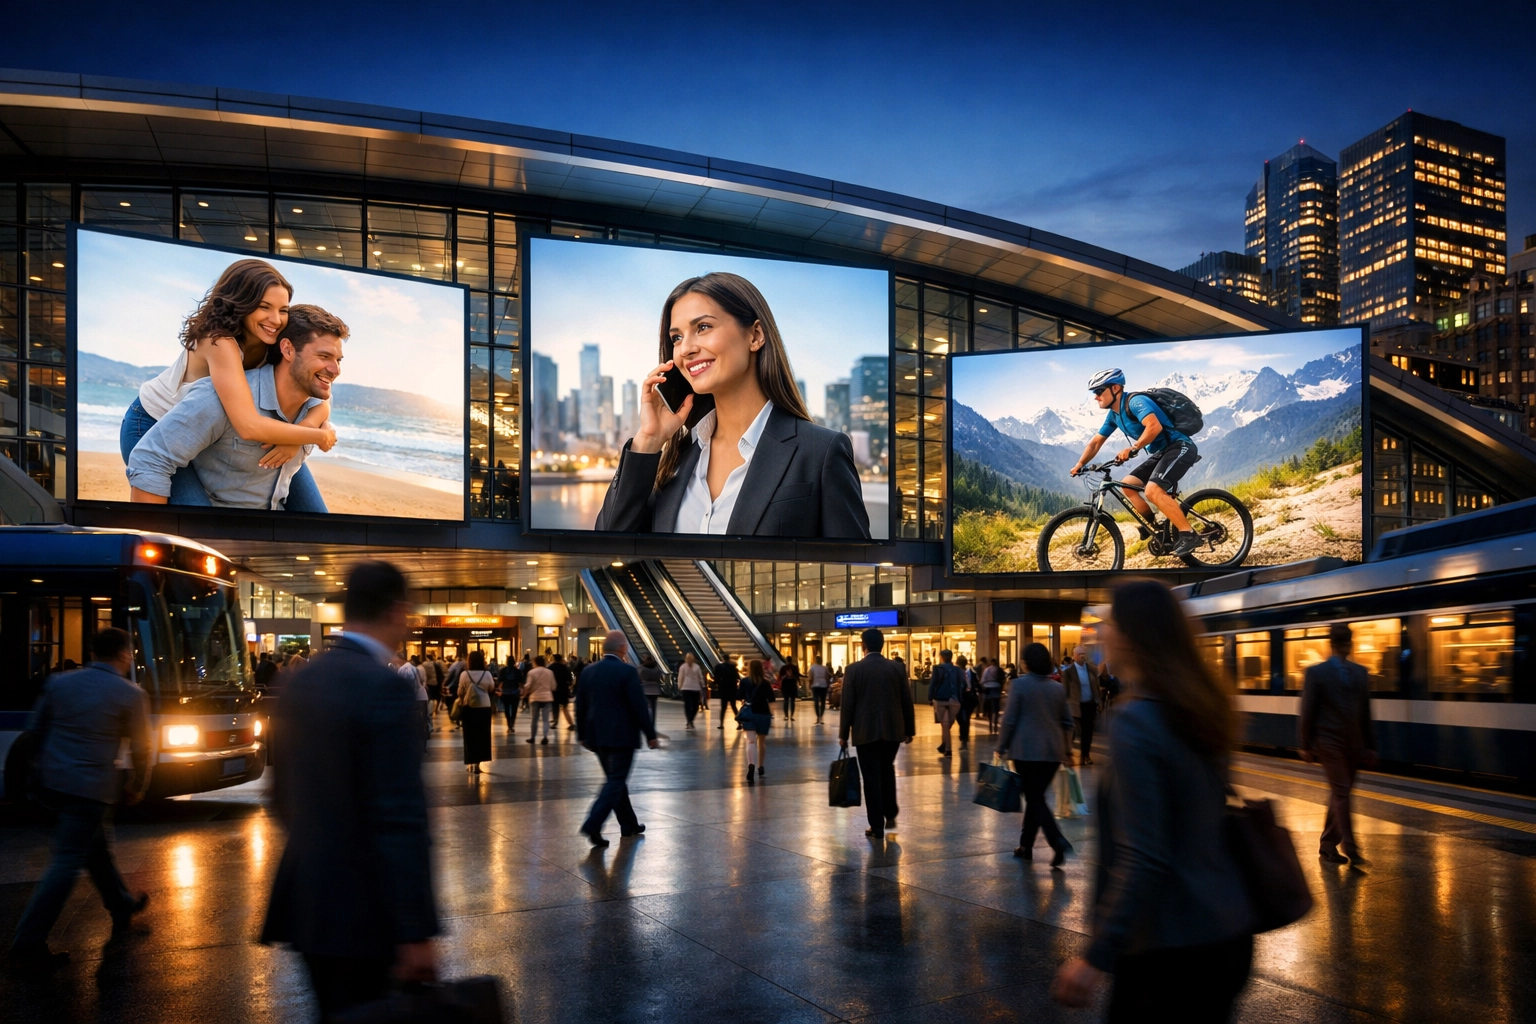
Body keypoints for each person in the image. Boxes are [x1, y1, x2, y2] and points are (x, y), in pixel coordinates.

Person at [1051, 580, 1253, 1019]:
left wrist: (1095, 957)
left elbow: (1144, 856)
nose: (1102, 633)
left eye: (1109, 624)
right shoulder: (1203, 705)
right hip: (1227, 931)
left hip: (1168, 946)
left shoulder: (1135, 721)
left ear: (1132, 634)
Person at [261, 561, 438, 1018]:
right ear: (397, 610)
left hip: (309, 902)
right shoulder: (384, 686)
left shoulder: (299, 681)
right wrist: (415, 929)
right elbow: (398, 816)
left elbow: (279, 794)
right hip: (366, 911)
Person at [594, 272, 870, 538]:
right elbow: (606, 551)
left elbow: (856, 568)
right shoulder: (676, 461)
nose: (685, 348)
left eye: (702, 327)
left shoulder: (820, 452)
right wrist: (648, 443)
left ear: (755, 335)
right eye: (676, 337)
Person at [119, 258, 335, 510]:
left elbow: (317, 387)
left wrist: (302, 433)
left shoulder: (273, 339)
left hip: (206, 433)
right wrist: (318, 435)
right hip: (151, 423)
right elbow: (248, 425)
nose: (276, 319)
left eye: (283, 309)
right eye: (264, 307)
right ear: (241, 303)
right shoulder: (220, 341)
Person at [8, 628, 151, 967]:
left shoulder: (60, 683)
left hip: (51, 784)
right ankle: (27, 944)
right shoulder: (129, 693)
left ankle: (121, 904)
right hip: (90, 788)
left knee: (95, 847)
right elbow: (142, 747)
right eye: (129, 653)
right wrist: (137, 784)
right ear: (124, 654)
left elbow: (35, 731)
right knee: (67, 861)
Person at [1068, 367, 1203, 557]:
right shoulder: (1114, 415)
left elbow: (1154, 427)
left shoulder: (1135, 402)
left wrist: (1133, 448)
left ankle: (1189, 535)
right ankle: (1154, 527)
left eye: (1099, 391)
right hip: (1163, 451)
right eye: (1094, 393)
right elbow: (1096, 442)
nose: (1095, 397)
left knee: (1152, 491)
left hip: (1180, 446)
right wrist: (1079, 464)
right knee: (1129, 485)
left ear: (1115, 388)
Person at [1300, 622, 1377, 866]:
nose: (1346, 647)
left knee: (1340, 793)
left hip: (1352, 744)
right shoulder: (1317, 673)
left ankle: (1327, 844)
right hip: (1329, 742)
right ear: (1338, 645)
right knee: (1342, 791)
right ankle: (1351, 847)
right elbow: (1308, 710)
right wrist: (1305, 744)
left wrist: (1370, 745)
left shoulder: (1359, 673)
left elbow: (1365, 712)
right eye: (1343, 643)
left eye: (1347, 642)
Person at [576, 631, 659, 846]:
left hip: (596, 736)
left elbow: (580, 705)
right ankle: (593, 823)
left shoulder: (588, 671)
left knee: (616, 781)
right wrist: (650, 734)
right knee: (616, 780)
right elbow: (639, 706)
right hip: (622, 736)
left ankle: (628, 824)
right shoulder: (627, 672)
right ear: (623, 648)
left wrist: (582, 734)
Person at [996, 643, 1075, 865]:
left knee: (1034, 798)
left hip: (1025, 752)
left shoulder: (1019, 686)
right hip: (1052, 753)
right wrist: (1067, 751)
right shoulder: (1057, 688)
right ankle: (1026, 845)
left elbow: (1010, 719)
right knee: (1036, 798)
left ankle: (1058, 841)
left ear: (1026, 663)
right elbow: (1067, 723)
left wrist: (1001, 746)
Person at [838, 628, 915, 839]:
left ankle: (877, 825)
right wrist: (909, 729)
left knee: (871, 777)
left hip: (865, 730)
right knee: (886, 768)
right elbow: (906, 701)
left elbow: (848, 705)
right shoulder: (897, 668)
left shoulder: (853, 670)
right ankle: (890, 811)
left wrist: (844, 733)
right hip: (892, 729)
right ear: (883, 645)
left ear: (863, 646)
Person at [1063, 646, 1105, 766]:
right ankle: (1068, 754)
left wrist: (1099, 702)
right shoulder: (1068, 672)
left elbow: (1096, 687)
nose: (1082, 656)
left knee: (1088, 731)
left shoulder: (1092, 669)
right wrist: (1065, 706)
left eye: (1084, 654)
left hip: (1089, 705)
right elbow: (1066, 691)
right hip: (1075, 705)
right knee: (1074, 731)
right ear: (1074, 656)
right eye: (1080, 654)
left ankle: (1085, 755)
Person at [457, 651, 496, 774]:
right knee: (483, 736)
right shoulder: (487, 674)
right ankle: (478, 764)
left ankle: (470, 762)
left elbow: (459, 692)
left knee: (469, 736)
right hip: (484, 707)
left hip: (468, 707)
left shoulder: (464, 674)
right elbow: (491, 688)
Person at [741, 659, 775, 782]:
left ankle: (751, 765)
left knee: (750, 741)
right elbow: (771, 700)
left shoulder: (744, 681)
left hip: (749, 714)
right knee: (762, 742)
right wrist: (772, 715)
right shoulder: (765, 683)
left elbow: (740, 696)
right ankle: (760, 766)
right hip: (763, 714)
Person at [928, 649, 964, 757]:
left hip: (941, 699)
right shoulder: (958, 670)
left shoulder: (937, 669)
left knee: (945, 725)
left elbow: (933, 684)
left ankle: (947, 748)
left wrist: (930, 698)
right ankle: (945, 746)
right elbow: (962, 684)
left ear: (942, 657)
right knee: (948, 724)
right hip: (955, 699)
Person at [522, 656, 557, 744]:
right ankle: (545, 737)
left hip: (535, 697)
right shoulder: (550, 672)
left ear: (535, 662)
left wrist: (524, 694)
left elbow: (528, 685)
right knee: (546, 719)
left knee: (535, 719)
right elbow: (553, 686)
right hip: (547, 697)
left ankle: (533, 737)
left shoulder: (531, 672)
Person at [497, 654, 526, 736]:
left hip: (505, 692)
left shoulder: (503, 670)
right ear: (514, 662)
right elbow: (521, 682)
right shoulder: (517, 671)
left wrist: (500, 688)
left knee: (506, 709)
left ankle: (508, 724)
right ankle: (512, 725)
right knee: (514, 710)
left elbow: (499, 681)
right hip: (515, 692)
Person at [678, 652, 706, 729]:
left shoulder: (683, 667)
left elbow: (681, 677)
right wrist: (703, 685)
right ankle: (691, 720)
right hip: (695, 688)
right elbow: (700, 677)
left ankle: (688, 720)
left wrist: (680, 686)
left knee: (687, 705)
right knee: (695, 705)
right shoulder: (697, 667)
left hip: (685, 688)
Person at [956, 654, 978, 749]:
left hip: (961, 697)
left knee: (961, 718)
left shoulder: (957, 673)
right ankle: (965, 736)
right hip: (970, 697)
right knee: (966, 718)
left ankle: (963, 737)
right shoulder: (971, 672)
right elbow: (976, 683)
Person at [714, 652, 740, 729]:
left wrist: (718, 684)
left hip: (723, 689)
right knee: (733, 706)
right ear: (729, 659)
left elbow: (716, 679)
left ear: (723, 659)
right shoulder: (733, 667)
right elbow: (738, 677)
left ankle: (721, 724)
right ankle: (739, 723)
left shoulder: (718, 667)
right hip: (732, 689)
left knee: (723, 707)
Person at [551, 652, 576, 730]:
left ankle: (555, 722)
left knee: (555, 706)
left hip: (554, 690)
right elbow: (570, 679)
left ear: (554, 659)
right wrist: (569, 686)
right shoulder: (565, 667)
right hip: (563, 689)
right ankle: (571, 723)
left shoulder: (551, 667)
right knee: (565, 707)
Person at [638, 653, 664, 728]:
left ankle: (646, 722)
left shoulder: (641, 668)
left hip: (645, 689)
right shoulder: (656, 669)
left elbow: (639, 678)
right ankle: (652, 723)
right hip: (655, 690)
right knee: (653, 707)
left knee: (646, 707)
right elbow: (660, 678)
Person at [981, 656, 1004, 732]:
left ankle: (989, 720)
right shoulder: (999, 669)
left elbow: (983, 680)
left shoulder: (987, 670)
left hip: (988, 688)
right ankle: (995, 725)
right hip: (997, 688)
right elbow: (1002, 679)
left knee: (988, 705)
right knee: (996, 707)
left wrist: (982, 685)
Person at [808, 654, 832, 724]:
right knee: (823, 701)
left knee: (816, 701)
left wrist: (810, 685)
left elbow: (810, 677)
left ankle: (818, 717)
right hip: (823, 685)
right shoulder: (824, 668)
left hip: (815, 686)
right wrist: (828, 684)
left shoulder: (812, 667)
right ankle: (821, 716)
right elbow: (828, 676)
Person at [778, 657, 800, 723]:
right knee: (792, 701)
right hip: (793, 685)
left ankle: (786, 715)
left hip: (785, 686)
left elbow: (780, 677)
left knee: (786, 701)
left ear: (786, 660)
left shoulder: (783, 668)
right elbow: (797, 676)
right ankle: (792, 716)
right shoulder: (794, 667)